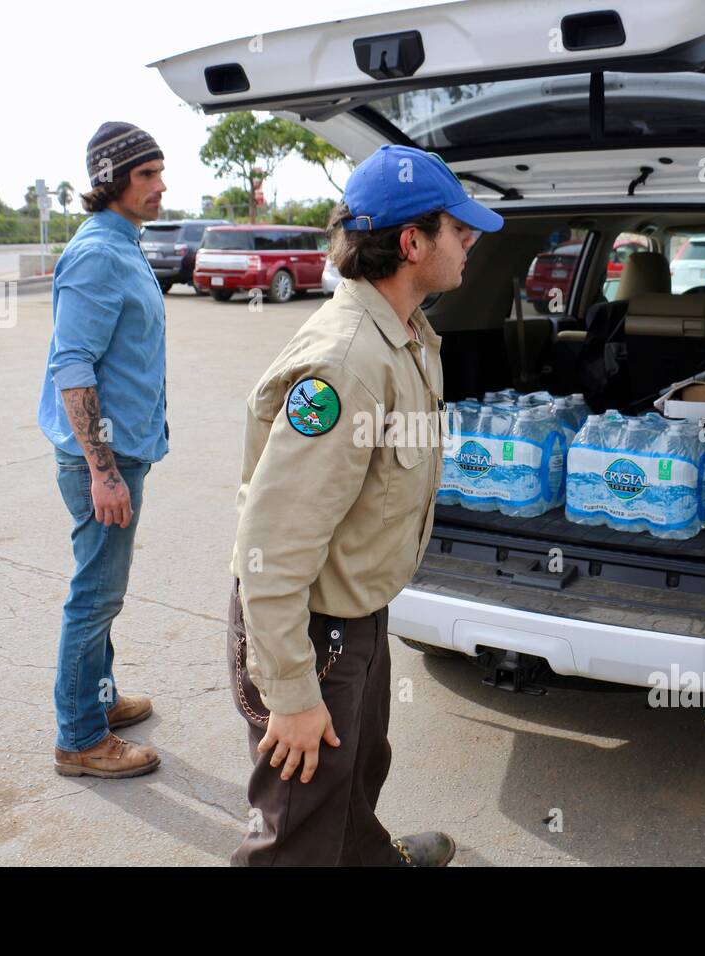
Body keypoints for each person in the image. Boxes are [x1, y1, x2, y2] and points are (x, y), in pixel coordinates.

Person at [227, 145, 503, 866]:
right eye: (458, 230)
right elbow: (275, 540)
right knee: (297, 819)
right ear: (412, 243)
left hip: (356, 610)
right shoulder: (348, 361)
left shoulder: (406, 337)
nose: (470, 242)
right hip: (310, 628)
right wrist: (289, 689)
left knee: (356, 768)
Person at [37, 121, 169, 778]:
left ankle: (101, 700)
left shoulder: (125, 244)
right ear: (110, 181)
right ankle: (80, 738)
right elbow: (73, 365)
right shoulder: (97, 254)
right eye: (146, 174)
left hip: (121, 453)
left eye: (158, 171)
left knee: (103, 591)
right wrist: (104, 471)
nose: (160, 185)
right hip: (103, 461)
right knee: (95, 595)